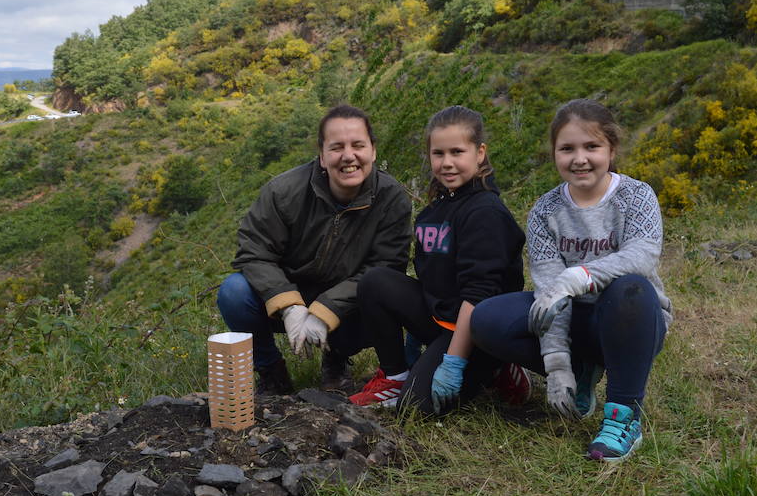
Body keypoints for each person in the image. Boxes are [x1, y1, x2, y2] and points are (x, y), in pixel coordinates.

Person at [471, 98, 671, 462]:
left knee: (630, 288)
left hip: (632, 320)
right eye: (567, 149)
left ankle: (623, 416)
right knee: (486, 320)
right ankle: (579, 369)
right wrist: (556, 362)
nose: (580, 158)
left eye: (591, 146)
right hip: (576, 320)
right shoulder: (546, 210)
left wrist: (579, 275)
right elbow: (551, 291)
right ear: (555, 154)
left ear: (611, 149)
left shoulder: (636, 195)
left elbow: (641, 258)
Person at [216, 104, 412, 395]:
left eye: (358, 145)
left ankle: (335, 360)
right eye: (336, 147)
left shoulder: (391, 198)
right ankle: (271, 371)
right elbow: (254, 251)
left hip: (349, 303)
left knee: (383, 296)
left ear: (372, 150)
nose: (348, 156)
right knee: (234, 292)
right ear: (322, 156)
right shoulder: (284, 191)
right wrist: (289, 305)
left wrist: (327, 309)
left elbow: (386, 266)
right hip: (290, 292)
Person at [349, 106, 530, 414]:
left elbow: (479, 294)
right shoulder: (436, 209)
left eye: (457, 152)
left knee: (415, 408)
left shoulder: (484, 212)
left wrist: (453, 363)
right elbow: (432, 275)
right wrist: (414, 338)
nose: (447, 163)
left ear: (480, 152)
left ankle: (498, 365)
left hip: (479, 330)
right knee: (376, 281)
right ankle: (395, 375)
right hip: (442, 319)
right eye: (438, 153)